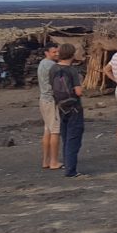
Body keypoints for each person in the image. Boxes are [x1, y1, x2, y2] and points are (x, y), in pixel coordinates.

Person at [51, 43, 86, 178]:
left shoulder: (53, 69)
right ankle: (71, 170)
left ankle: (68, 165)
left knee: (66, 136)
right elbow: (78, 91)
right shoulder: (72, 71)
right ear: (72, 54)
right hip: (74, 107)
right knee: (74, 138)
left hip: (61, 106)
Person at [37, 42, 62, 170]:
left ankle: (46, 160)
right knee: (55, 131)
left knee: (47, 130)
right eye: (54, 52)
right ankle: (54, 161)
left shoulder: (42, 64)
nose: (57, 54)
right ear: (47, 52)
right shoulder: (53, 66)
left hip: (43, 99)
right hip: (51, 101)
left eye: (57, 51)